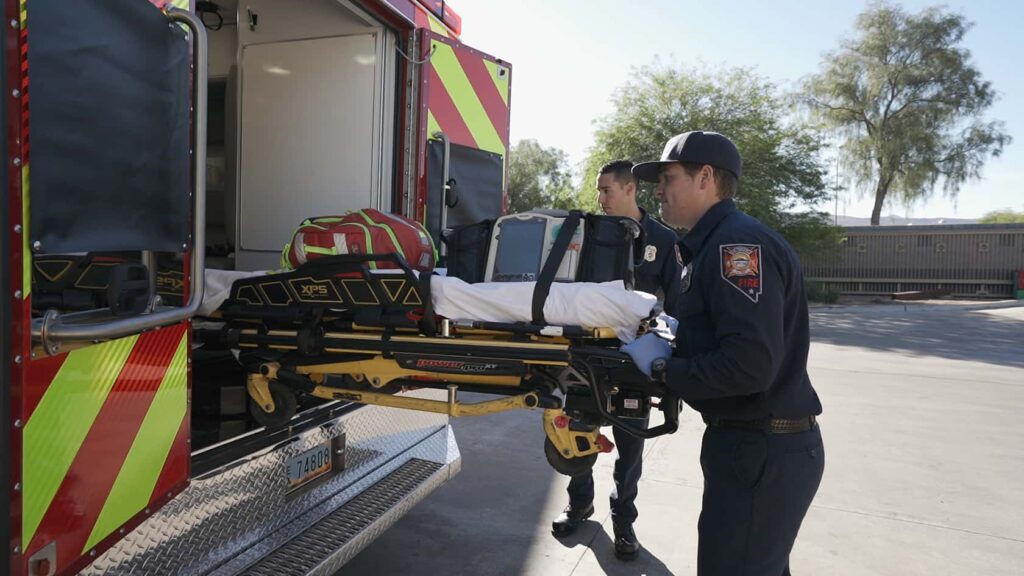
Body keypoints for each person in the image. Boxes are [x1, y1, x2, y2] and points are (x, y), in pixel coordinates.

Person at [622, 131, 825, 575]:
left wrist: (664, 369)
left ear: (706, 178)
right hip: (754, 446)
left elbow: (749, 366)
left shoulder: (737, 248)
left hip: (761, 450)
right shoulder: (712, 244)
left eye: (667, 178)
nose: (658, 190)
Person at [551, 160, 682, 561]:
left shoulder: (662, 238)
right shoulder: (588, 234)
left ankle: (623, 521)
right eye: (598, 191)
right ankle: (580, 504)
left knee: (630, 446)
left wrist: (672, 364)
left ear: (629, 189)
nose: (600, 198)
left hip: (635, 361)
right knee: (578, 434)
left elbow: (676, 302)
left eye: (606, 190)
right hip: (587, 355)